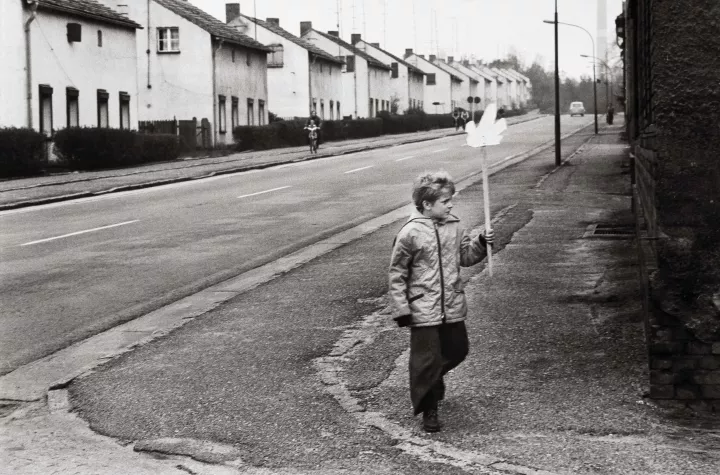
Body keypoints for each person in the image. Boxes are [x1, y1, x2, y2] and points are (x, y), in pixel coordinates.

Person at [388, 171, 494, 433]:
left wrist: (480, 242)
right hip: (422, 307)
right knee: (426, 360)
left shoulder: (455, 226)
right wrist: (401, 308)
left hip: (452, 303)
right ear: (427, 204)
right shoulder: (410, 233)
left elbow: (466, 258)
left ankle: (430, 380)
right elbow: (397, 273)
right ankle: (429, 409)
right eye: (445, 201)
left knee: (458, 350)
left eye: (450, 200)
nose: (451, 205)